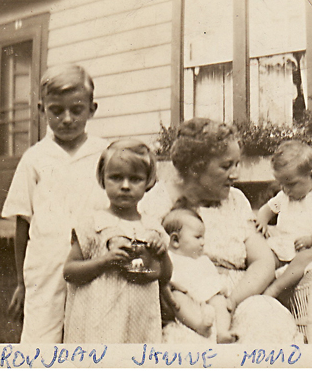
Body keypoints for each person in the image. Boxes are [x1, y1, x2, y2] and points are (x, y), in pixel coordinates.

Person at [139, 118, 299, 343]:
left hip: (240, 299)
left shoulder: (235, 200)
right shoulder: (157, 201)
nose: (236, 174)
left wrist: (229, 303)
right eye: (226, 166)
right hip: (184, 306)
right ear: (196, 167)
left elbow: (263, 261)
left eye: (237, 164)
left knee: (267, 322)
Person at [1, 64, 109, 343]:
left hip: (92, 265)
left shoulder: (104, 154)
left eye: (77, 109)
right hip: (45, 268)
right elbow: (23, 224)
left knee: (89, 341)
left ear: (92, 109)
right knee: (41, 343)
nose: (67, 119)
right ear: (41, 110)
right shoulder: (35, 159)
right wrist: (21, 283)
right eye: (56, 110)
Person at [63, 139, 172, 343]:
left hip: (140, 320)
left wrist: (162, 254)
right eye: (115, 177)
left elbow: (164, 276)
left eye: (135, 179)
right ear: (102, 179)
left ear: (148, 182)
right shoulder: (93, 224)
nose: (125, 186)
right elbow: (69, 271)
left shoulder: (153, 227)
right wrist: (105, 262)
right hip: (99, 321)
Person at [255, 141, 312, 299]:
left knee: (306, 258)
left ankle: (275, 289)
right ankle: (258, 283)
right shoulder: (283, 196)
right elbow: (266, 210)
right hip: (285, 244)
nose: (286, 189)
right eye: (281, 184)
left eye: (291, 184)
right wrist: (262, 222)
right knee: (264, 254)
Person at [160, 207, 235, 343]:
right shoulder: (168, 258)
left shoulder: (202, 260)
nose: (203, 242)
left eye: (203, 237)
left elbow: (213, 280)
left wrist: (221, 291)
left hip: (206, 298)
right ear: (175, 240)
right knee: (177, 298)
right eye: (198, 237)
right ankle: (199, 326)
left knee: (220, 302)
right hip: (185, 299)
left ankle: (223, 331)